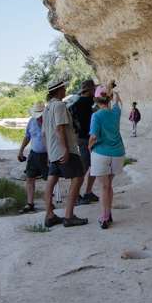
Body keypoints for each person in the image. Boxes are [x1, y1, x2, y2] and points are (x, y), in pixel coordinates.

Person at [42, 78, 87, 228]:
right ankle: (69, 216)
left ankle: (49, 215)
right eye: (64, 88)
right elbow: (60, 129)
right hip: (64, 149)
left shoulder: (46, 108)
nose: (65, 91)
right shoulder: (60, 106)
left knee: (51, 181)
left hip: (53, 151)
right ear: (59, 90)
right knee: (78, 177)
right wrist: (66, 149)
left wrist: (49, 154)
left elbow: (45, 134)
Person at [89, 85, 125, 229]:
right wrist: (114, 94)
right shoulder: (116, 112)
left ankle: (104, 217)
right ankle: (108, 213)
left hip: (101, 154)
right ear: (108, 99)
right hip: (117, 153)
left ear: (96, 99)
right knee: (109, 185)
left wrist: (89, 146)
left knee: (104, 187)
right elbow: (118, 102)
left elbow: (94, 136)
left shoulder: (96, 115)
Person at [68, 79, 100, 205]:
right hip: (89, 138)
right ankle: (79, 195)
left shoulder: (74, 105)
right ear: (91, 90)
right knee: (87, 167)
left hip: (80, 138)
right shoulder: (91, 103)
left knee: (88, 166)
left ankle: (84, 193)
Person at [17, 103, 47, 213]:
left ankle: (49, 203)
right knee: (30, 178)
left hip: (47, 154)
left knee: (49, 179)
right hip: (34, 154)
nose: (39, 117)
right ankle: (30, 203)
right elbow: (27, 136)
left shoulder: (49, 121)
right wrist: (21, 151)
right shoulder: (31, 121)